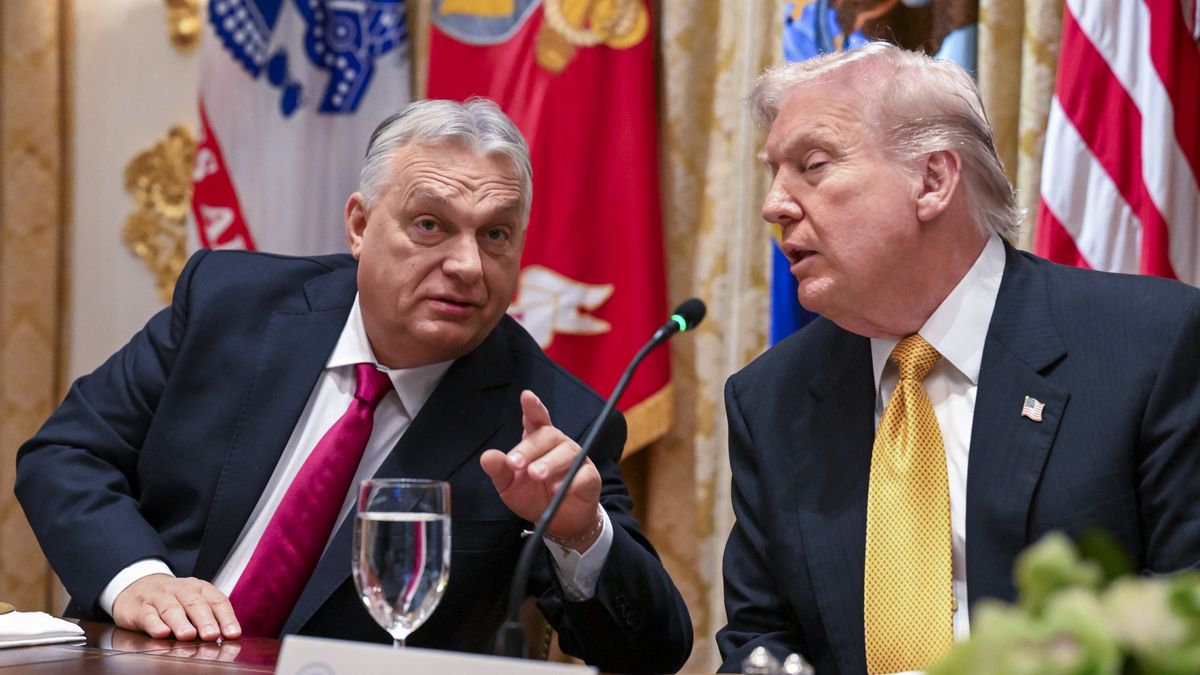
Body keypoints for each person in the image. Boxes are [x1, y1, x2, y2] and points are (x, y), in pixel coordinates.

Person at [16, 98, 692, 674]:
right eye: (430, 225)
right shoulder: (232, 303)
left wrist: (579, 533)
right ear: (361, 226)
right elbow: (67, 453)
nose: (467, 265)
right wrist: (139, 580)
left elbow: (652, 652)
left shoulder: (548, 419)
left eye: (495, 235)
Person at [718, 42, 1200, 675]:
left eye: (813, 165)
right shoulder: (770, 397)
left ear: (933, 181)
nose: (774, 205)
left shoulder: (1151, 347)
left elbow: (1183, 623)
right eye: (774, 173)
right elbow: (761, 641)